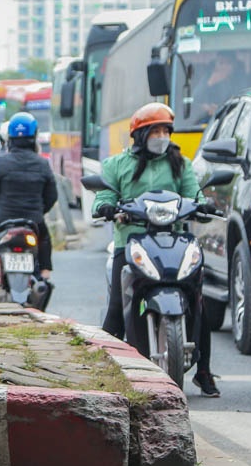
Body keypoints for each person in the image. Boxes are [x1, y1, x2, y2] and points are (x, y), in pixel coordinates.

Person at [92, 102, 217, 397]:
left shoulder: (180, 163)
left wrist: (202, 205)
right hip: (131, 241)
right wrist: (108, 207)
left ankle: (204, 371)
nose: (162, 136)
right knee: (114, 311)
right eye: (155, 130)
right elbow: (103, 196)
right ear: (140, 134)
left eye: (165, 130)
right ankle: (101, 372)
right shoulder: (116, 165)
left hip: (174, 240)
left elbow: (193, 193)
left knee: (199, 303)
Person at [0, 112, 56, 281]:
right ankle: (45, 273)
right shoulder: (42, 163)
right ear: (35, 135)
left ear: (9, 138)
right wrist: (38, 212)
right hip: (33, 220)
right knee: (44, 237)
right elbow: (51, 195)